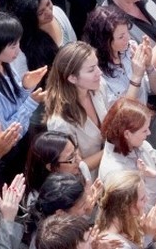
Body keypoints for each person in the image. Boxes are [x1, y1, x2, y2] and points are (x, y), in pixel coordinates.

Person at [44, 41, 127, 172]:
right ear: (72, 78)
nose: (99, 72)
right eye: (91, 69)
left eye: (97, 66)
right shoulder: (59, 122)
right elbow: (74, 168)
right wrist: (115, 147)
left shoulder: (99, 86)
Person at [98, 99, 156, 204]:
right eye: (144, 130)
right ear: (127, 134)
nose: (149, 133)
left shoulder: (139, 145)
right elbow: (139, 213)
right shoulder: (115, 173)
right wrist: (153, 179)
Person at [0, 12, 47, 134]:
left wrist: (25, 87)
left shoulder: (3, 61)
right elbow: (7, 135)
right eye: (13, 46)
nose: (18, 50)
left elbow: (15, 103)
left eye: (18, 43)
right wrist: (32, 102)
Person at [82, 5, 156, 106]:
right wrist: (136, 76)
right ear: (103, 42)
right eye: (121, 37)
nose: (128, 38)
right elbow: (122, 115)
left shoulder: (130, 49)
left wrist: (149, 66)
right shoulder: (97, 73)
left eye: (127, 33)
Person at [4, 0, 74, 74]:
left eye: (48, 3)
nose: (49, 12)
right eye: (40, 12)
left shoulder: (58, 13)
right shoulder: (19, 48)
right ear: (28, 18)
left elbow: (75, 45)